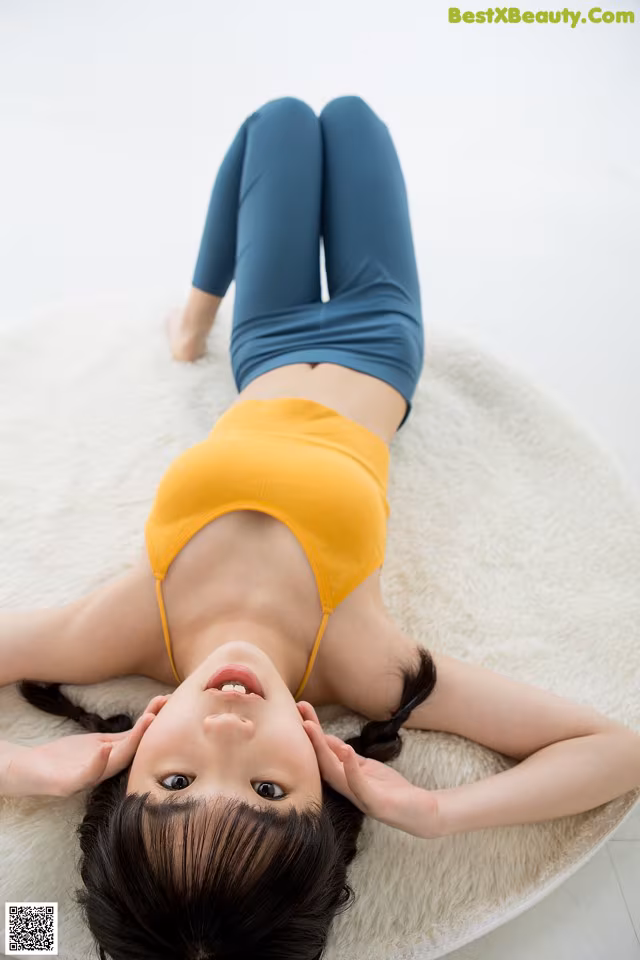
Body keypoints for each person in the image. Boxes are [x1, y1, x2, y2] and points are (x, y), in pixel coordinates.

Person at [1, 95, 639, 960]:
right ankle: (203, 304)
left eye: (179, 778)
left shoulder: (125, 628)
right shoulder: (366, 665)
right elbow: (613, 750)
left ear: (135, 744)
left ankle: (196, 306)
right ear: (324, 782)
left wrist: (19, 770)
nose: (227, 730)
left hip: (262, 346)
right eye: (267, 788)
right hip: (378, 338)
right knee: (352, 119)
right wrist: (435, 811)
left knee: (279, 121)